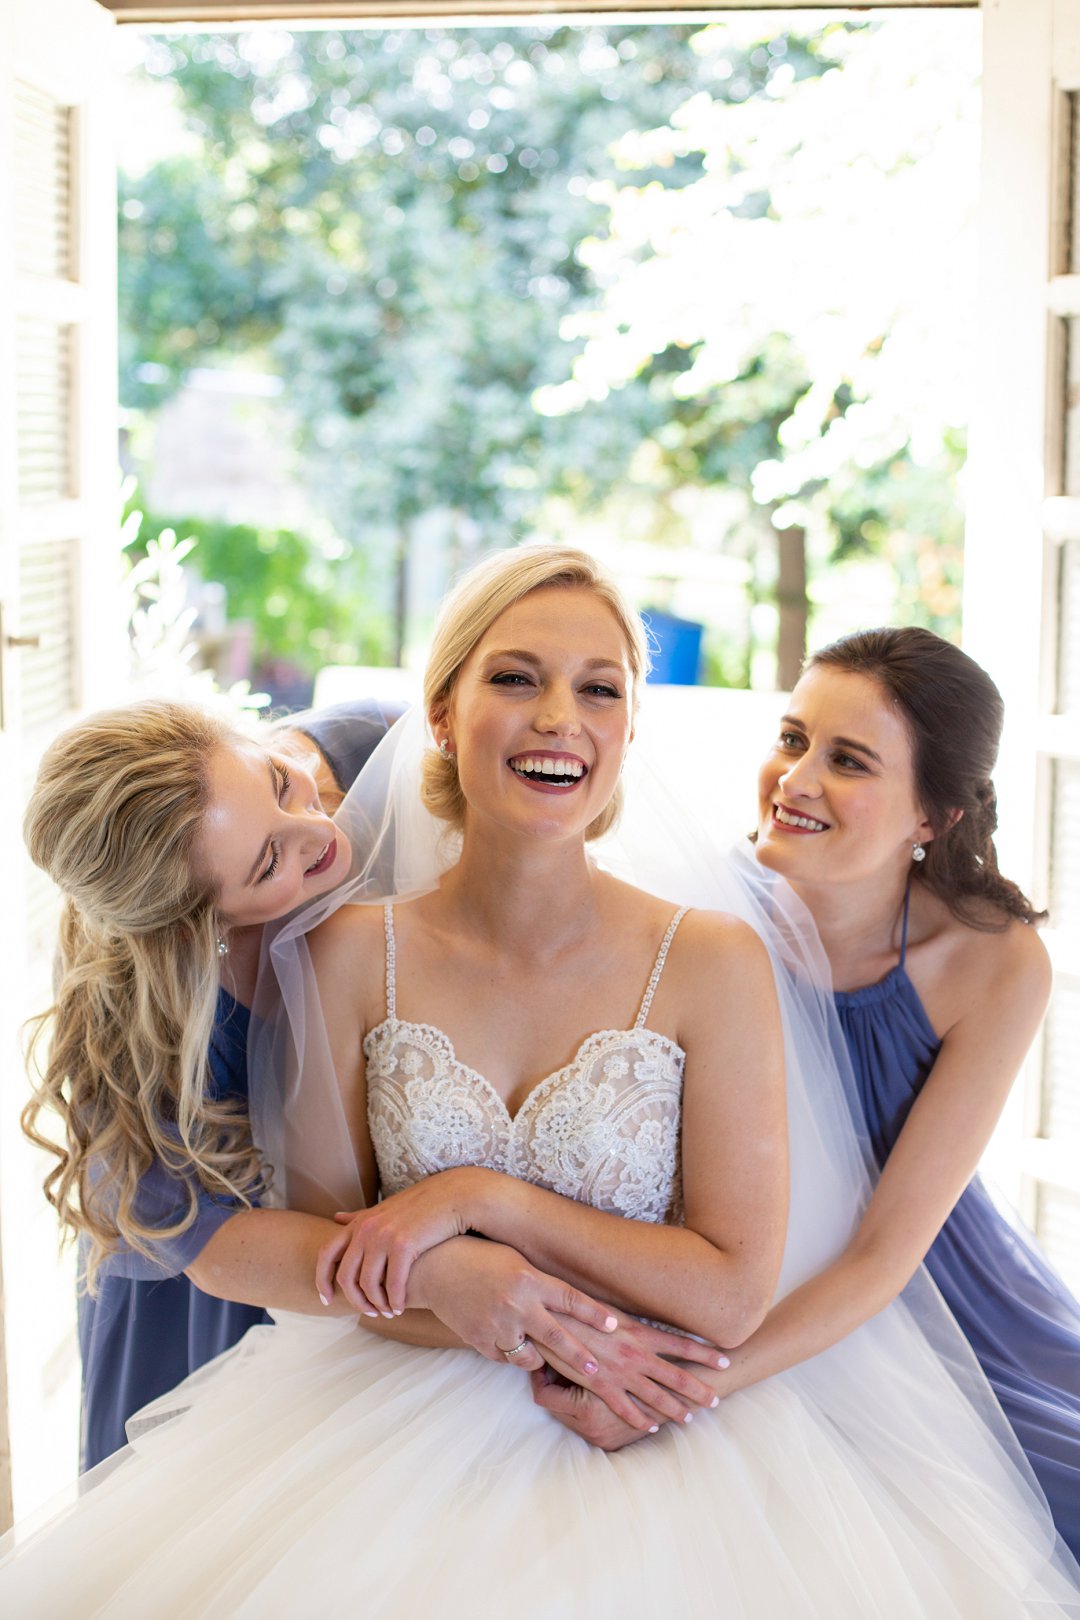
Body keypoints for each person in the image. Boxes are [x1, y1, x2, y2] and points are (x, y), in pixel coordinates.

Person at [3, 552, 1079, 1616]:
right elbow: (326, 1249)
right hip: (335, 1345)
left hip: (705, 1361)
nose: (317, 840)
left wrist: (489, 1212)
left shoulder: (708, 950)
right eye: (514, 679)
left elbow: (742, 1276)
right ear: (442, 709)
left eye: (600, 687)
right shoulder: (313, 957)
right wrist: (442, 1287)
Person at [548, 626, 1080, 1561]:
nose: (794, 782)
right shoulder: (693, 918)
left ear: (934, 816)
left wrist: (689, 1390)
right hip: (730, 1279)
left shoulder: (993, 961)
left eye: (849, 761)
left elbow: (884, 1259)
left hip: (929, 1289)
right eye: (792, 739)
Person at [22, 696, 401, 1467]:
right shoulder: (128, 1011)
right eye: (268, 863)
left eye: (279, 781)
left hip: (387, 1273)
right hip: (213, 1307)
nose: (319, 832)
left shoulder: (377, 752)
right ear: (199, 925)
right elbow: (212, 1246)